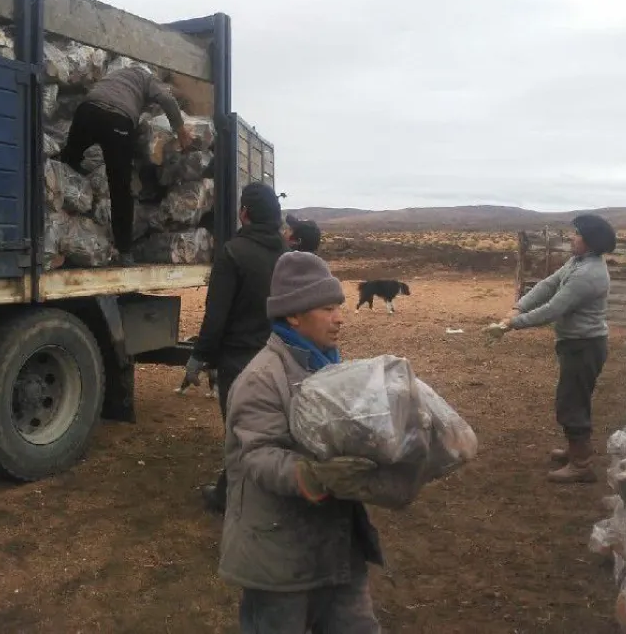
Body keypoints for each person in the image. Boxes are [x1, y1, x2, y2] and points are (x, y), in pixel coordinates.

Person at [219, 251, 384, 633]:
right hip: (279, 558)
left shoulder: (329, 366)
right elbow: (256, 456)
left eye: (339, 307)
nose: (340, 318)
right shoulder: (262, 377)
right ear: (293, 315)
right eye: (328, 308)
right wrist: (311, 476)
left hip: (337, 548)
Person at [490, 214, 616, 483]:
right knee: (574, 398)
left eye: (577, 234)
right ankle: (575, 451)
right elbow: (548, 285)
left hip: (584, 346)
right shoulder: (578, 262)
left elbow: (553, 309)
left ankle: (581, 465)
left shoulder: (588, 275)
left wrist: (513, 323)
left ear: (590, 241)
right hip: (577, 344)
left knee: (571, 403)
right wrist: (519, 306)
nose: (572, 237)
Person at [185, 182, 288, 513]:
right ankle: (247, 490)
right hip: (280, 359)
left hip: (240, 361)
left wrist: (200, 357)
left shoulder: (233, 254)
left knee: (238, 431)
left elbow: (216, 317)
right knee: (271, 427)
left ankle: (232, 498)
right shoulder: (287, 257)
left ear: (244, 213)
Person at [60, 65, 193, 266]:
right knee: (120, 187)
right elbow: (166, 100)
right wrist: (180, 131)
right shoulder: (147, 78)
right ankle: (125, 251)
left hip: (86, 111)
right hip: (116, 119)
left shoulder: (116, 76)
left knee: (68, 162)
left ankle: (58, 216)